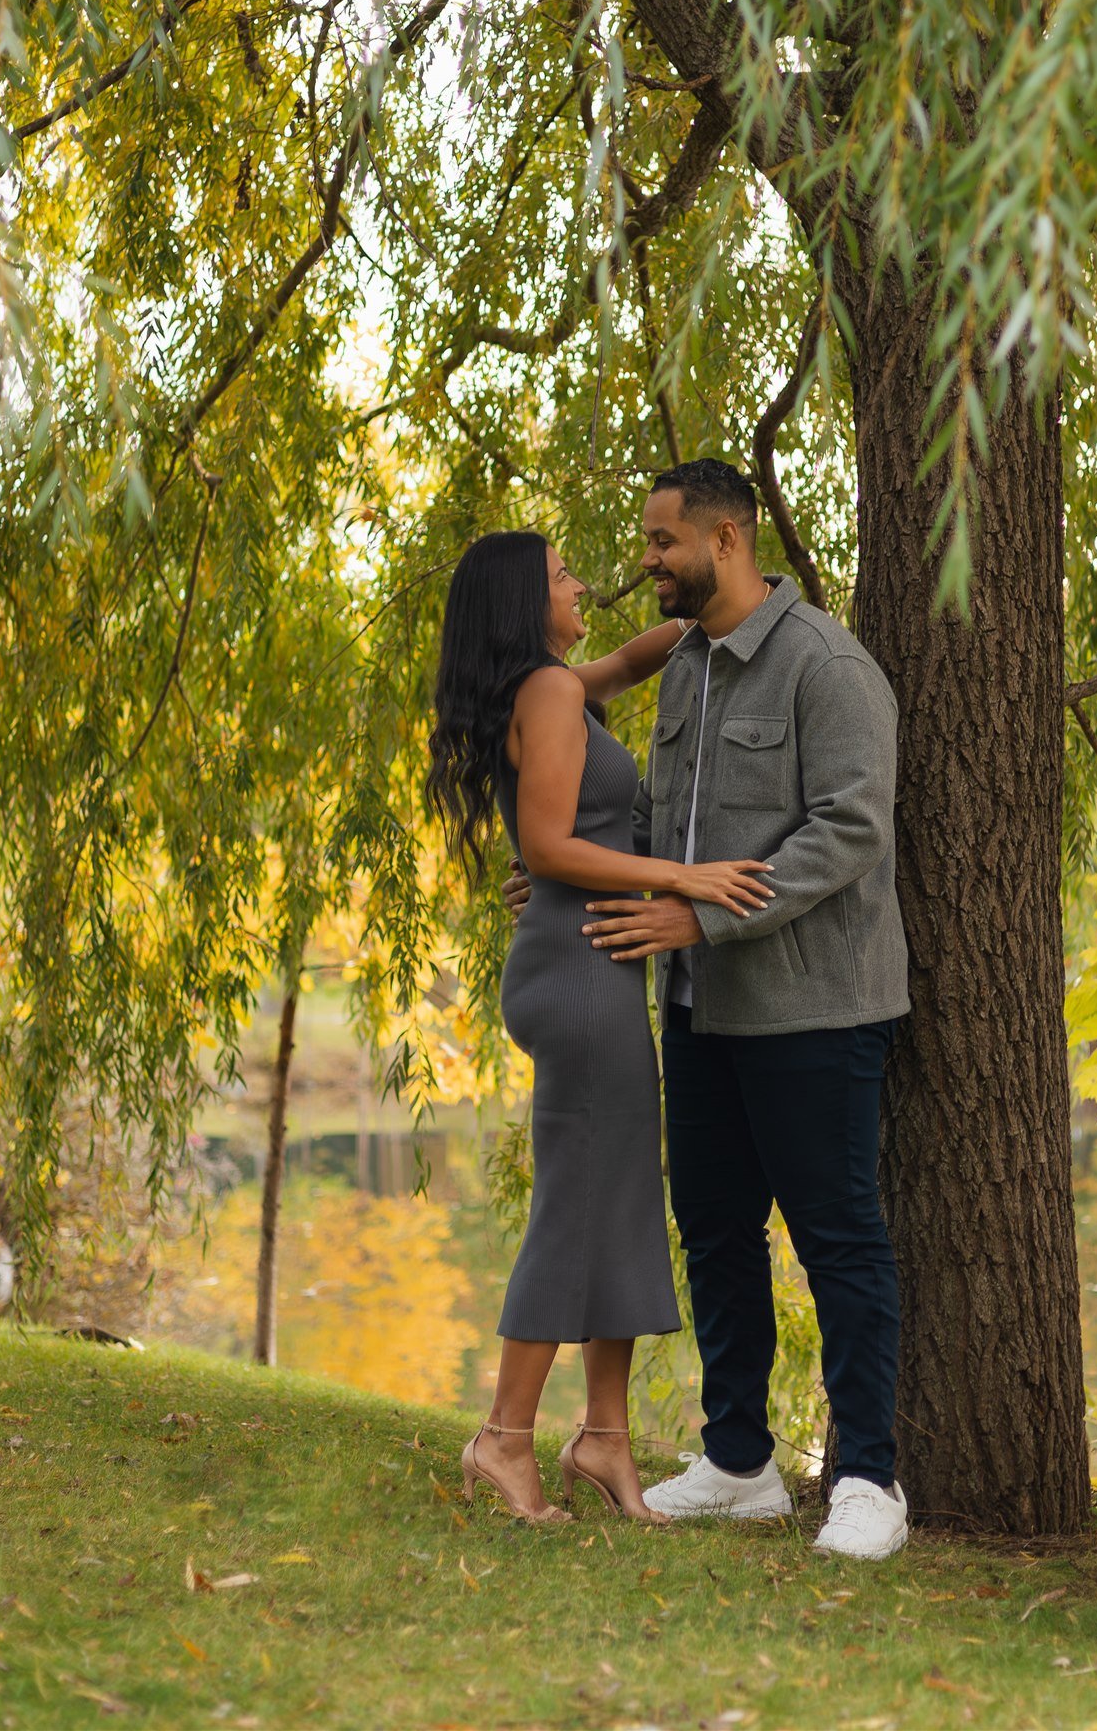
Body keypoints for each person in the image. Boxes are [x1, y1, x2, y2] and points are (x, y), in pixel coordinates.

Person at [510, 460, 912, 1560]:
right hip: (697, 1012)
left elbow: (849, 828)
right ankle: (740, 1462)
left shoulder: (825, 667)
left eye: (660, 540)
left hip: (815, 1006)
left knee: (837, 1237)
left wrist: (704, 921)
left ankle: (868, 1476)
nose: (645, 558)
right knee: (718, 1234)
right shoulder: (685, 667)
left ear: (725, 540)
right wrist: (569, 872)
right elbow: (652, 825)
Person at [426, 529, 775, 1525]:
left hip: (590, 967)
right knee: (577, 1205)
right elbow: (545, 840)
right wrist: (679, 874)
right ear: (518, 603)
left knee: (618, 1198)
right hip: (579, 971)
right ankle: (503, 1436)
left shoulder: (554, 685)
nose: (582, 584)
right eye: (562, 575)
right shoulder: (542, 693)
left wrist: (727, 594)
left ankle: (606, 1440)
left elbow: (630, 657)